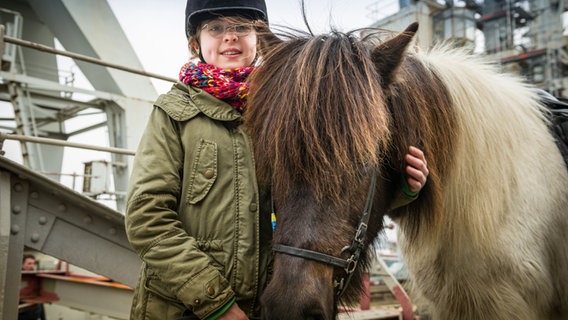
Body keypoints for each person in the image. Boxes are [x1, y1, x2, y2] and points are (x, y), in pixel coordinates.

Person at [124, 1, 429, 319]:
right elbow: (148, 218)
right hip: (184, 309)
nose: (230, 37)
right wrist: (217, 305)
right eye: (215, 28)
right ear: (194, 43)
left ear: (260, 41)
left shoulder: (286, 113)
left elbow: (321, 200)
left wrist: (403, 191)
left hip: (264, 307)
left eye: (242, 27)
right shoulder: (173, 114)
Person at [19, 254, 46, 320]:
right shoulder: (17, 278)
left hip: (35, 314)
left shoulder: (36, 277)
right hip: (23, 315)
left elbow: (40, 300)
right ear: (22, 265)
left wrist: (43, 317)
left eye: (33, 263)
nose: (32, 266)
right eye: (29, 263)